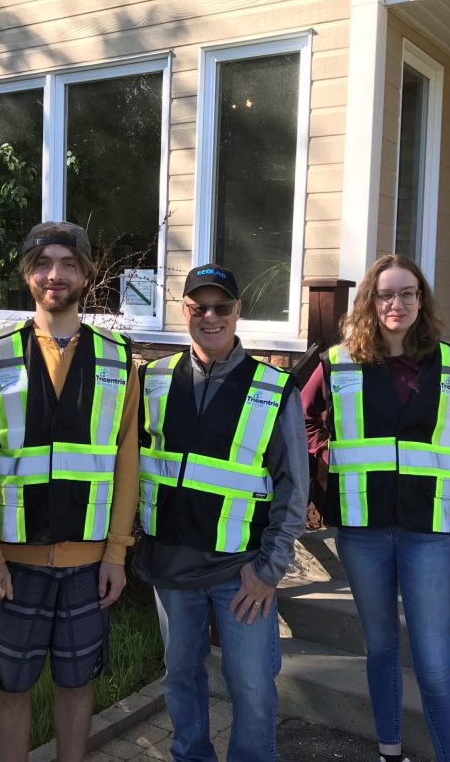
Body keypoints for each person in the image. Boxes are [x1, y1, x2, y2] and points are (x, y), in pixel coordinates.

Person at [301, 254, 450, 762]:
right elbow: (300, 420)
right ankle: (389, 753)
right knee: (381, 648)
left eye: (408, 293)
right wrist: (328, 454)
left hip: (428, 530)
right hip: (362, 529)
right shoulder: (339, 362)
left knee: (432, 663)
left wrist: (442, 469)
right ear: (370, 301)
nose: (397, 303)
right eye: (386, 294)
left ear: (421, 301)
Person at [0, 221, 139, 762]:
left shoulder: (118, 358)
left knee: (76, 685)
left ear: (87, 275)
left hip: (88, 560)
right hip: (11, 564)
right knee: (11, 688)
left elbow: (126, 464)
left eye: (69, 264)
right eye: (43, 263)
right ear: (26, 274)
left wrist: (116, 552)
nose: (55, 275)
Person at [134, 263, 309, 762]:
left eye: (221, 307)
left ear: (238, 312)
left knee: (252, 690)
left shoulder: (274, 390)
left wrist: (268, 573)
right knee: (181, 680)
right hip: (171, 569)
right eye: (198, 307)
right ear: (185, 310)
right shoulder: (153, 378)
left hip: (241, 576)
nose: (210, 317)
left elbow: (292, 490)